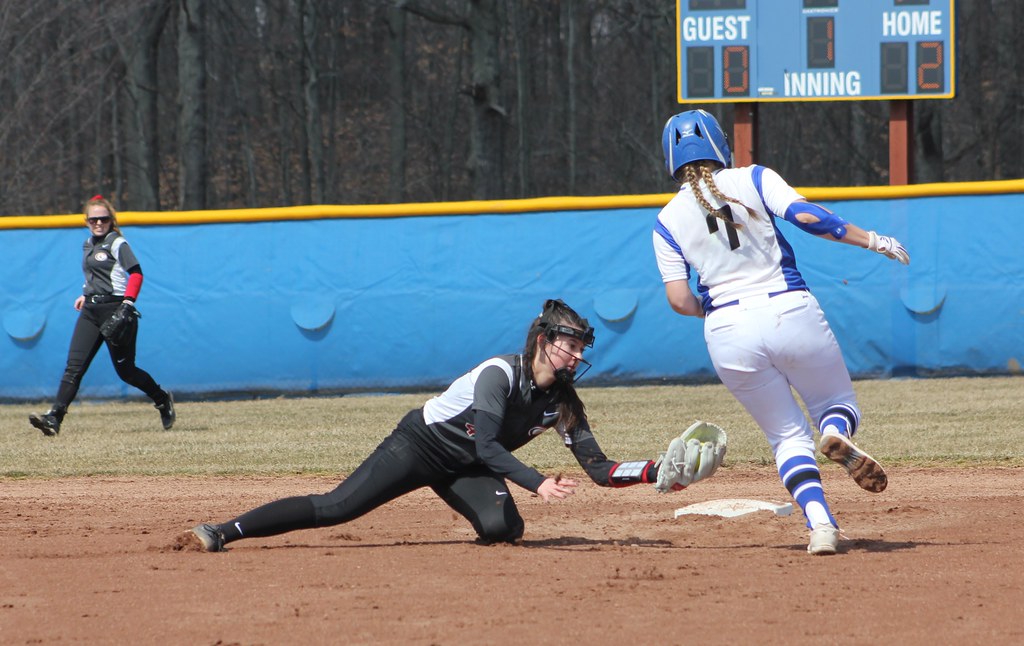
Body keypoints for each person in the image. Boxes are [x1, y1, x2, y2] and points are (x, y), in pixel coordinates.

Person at [182, 298, 721, 552]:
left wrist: (656, 470)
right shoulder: (497, 375)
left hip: (469, 464)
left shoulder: (563, 404)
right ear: (543, 341)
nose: (577, 355)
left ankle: (474, 522)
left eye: (582, 348)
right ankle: (226, 530)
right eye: (570, 344)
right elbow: (486, 442)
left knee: (504, 530)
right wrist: (536, 482)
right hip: (420, 444)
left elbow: (601, 469)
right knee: (337, 507)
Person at [653, 110, 910, 556]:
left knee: (787, 438)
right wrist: (872, 240)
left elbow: (678, 299)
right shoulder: (752, 177)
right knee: (837, 405)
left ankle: (822, 527)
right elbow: (807, 216)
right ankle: (834, 431)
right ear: (720, 145)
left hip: (727, 331)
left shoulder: (666, 220)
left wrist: (711, 313)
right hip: (787, 308)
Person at [29, 195, 175, 436]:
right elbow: (96, 276)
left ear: (111, 220)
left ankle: (162, 399)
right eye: (93, 219)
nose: (98, 223)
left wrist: (128, 304)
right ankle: (54, 418)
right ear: (86, 221)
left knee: (126, 371)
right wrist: (86, 294)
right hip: (90, 312)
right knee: (73, 368)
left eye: (103, 219)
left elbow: (136, 274)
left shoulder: (117, 243)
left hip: (115, 310)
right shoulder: (88, 244)